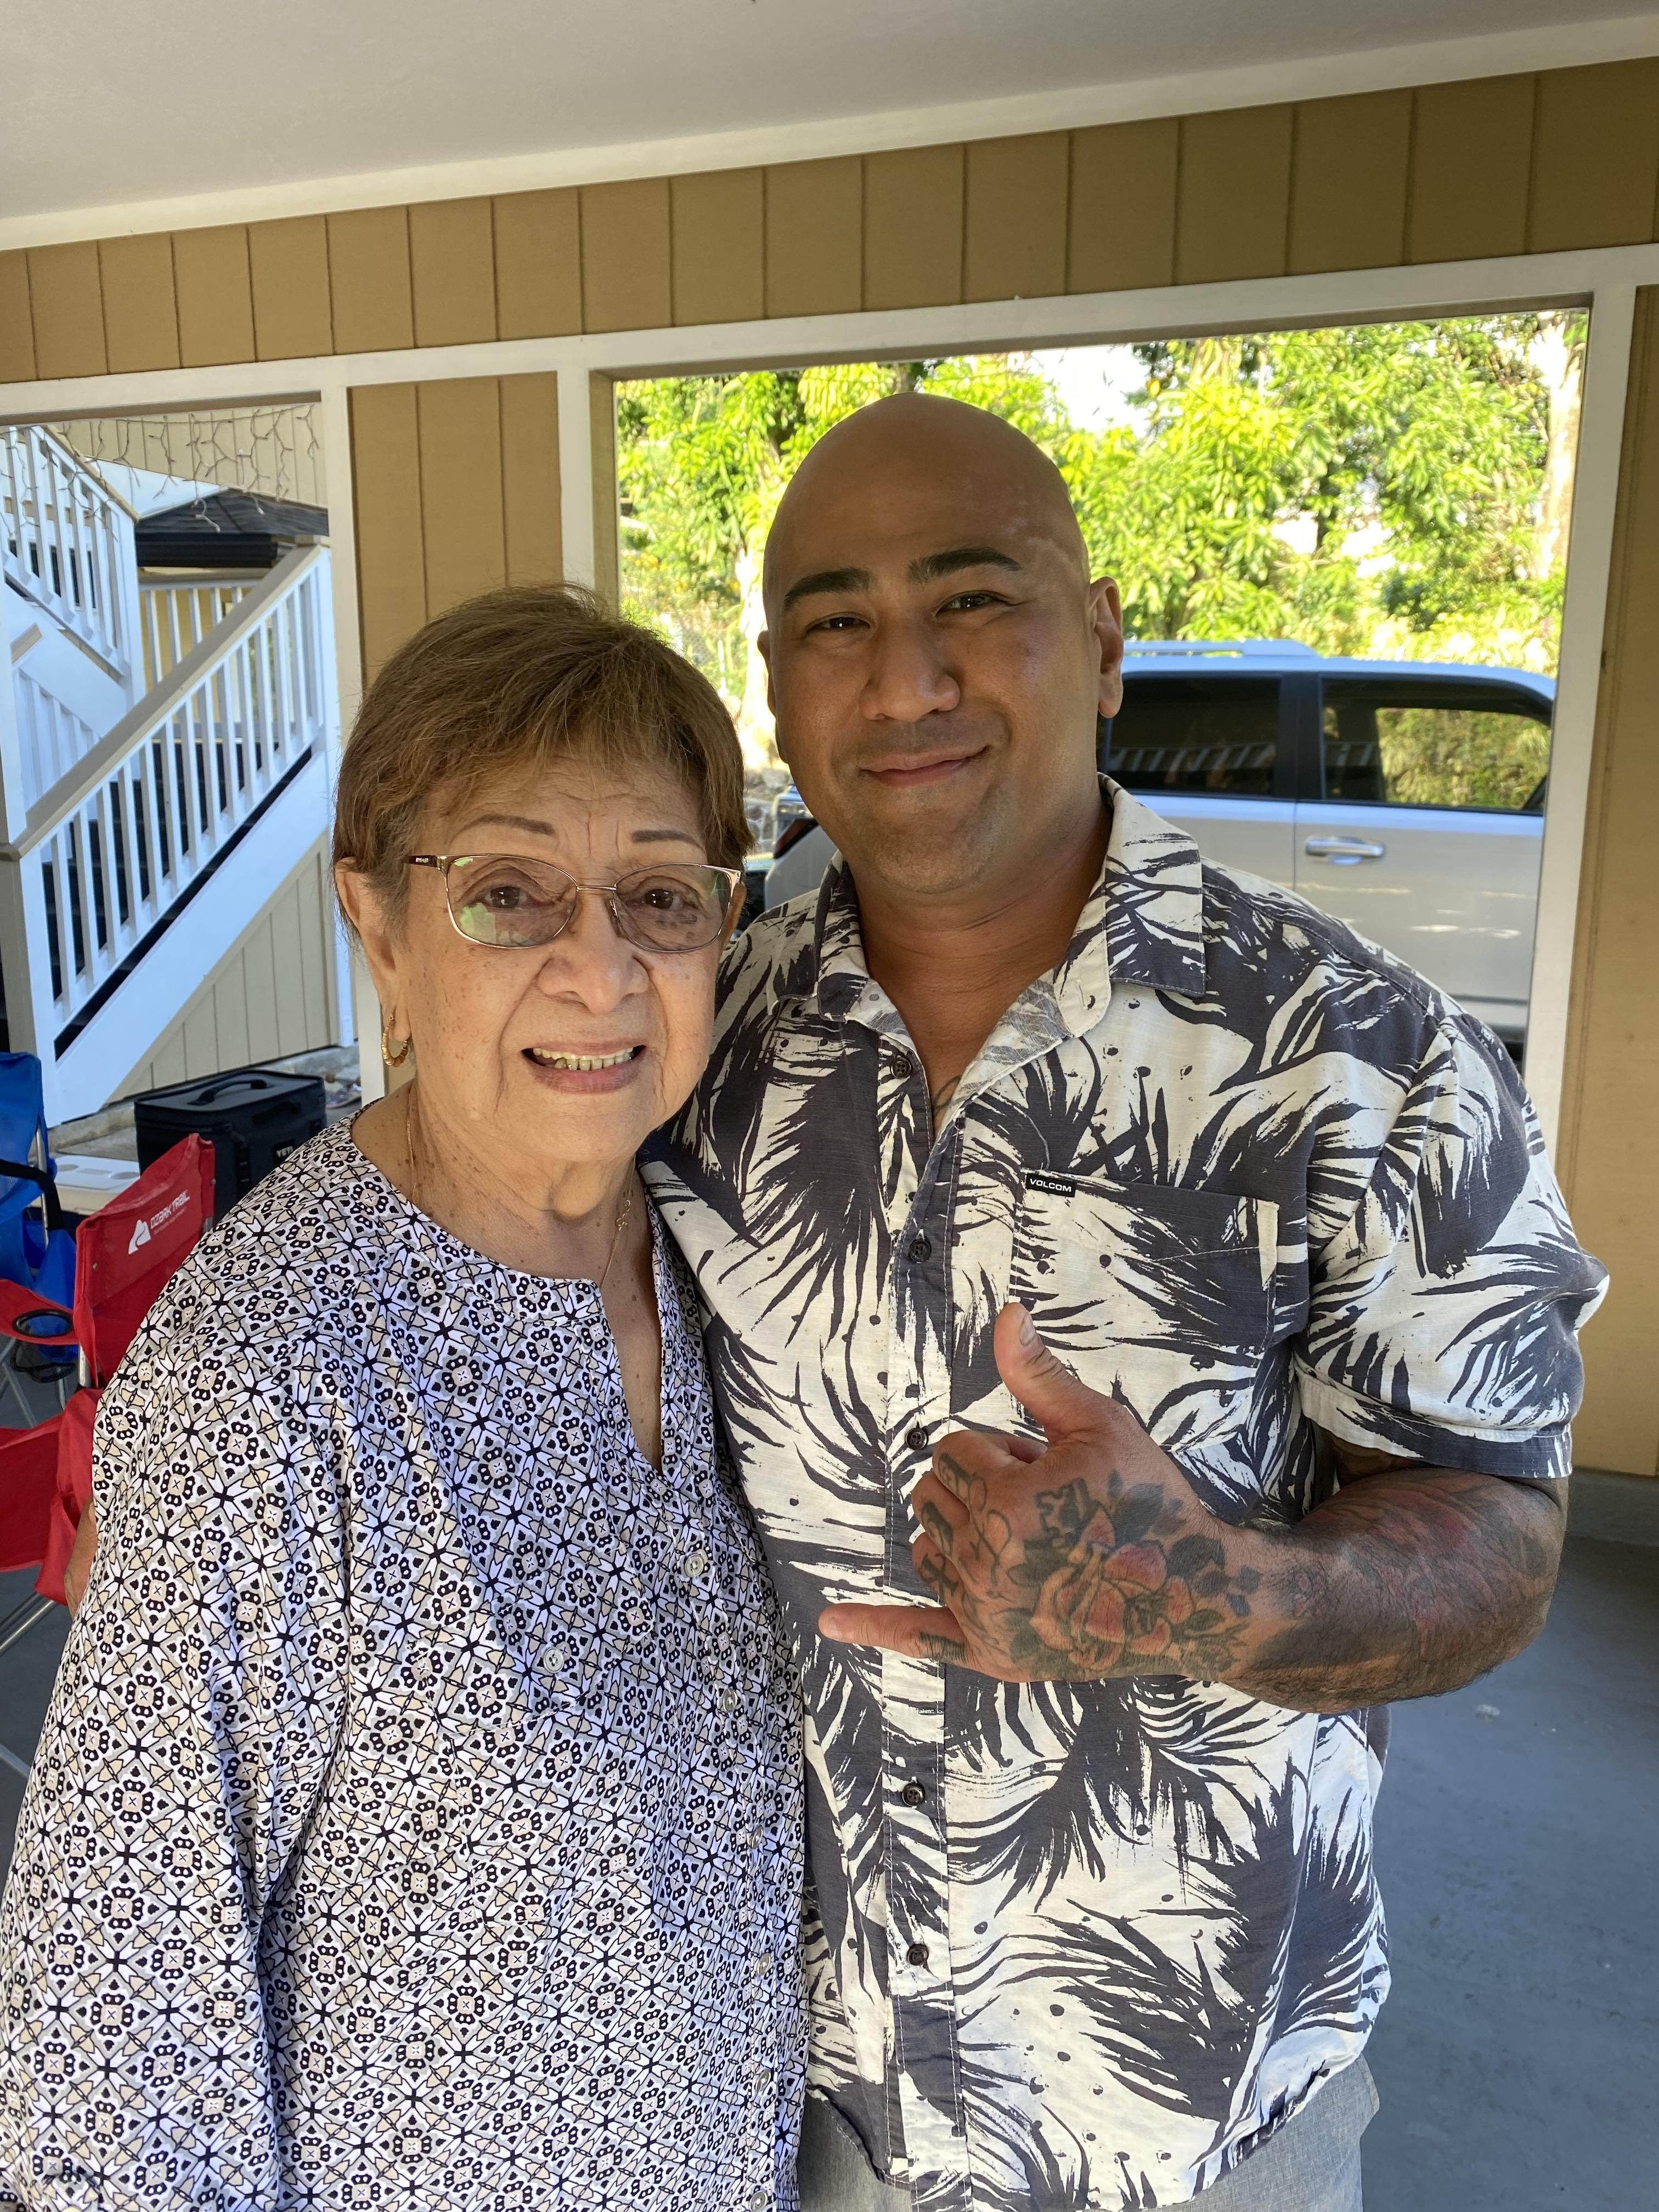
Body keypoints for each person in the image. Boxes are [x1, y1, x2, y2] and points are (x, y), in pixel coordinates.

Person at [642, 394, 1607, 2211]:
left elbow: (1504, 1534)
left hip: (1196, 2122)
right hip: (787, 2095)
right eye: (837, 619)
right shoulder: (690, 1044)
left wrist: (1219, 1593)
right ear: (781, 691)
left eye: (971, 597)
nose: (905, 676)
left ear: (1099, 646)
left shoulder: (1360, 1053)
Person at [0, 589, 805, 2209]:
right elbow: (116, 2032)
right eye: (508, 894)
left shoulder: (716, 1260)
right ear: (378, 925)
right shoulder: (272, 1377)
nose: (602, 969)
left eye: (661, 895)